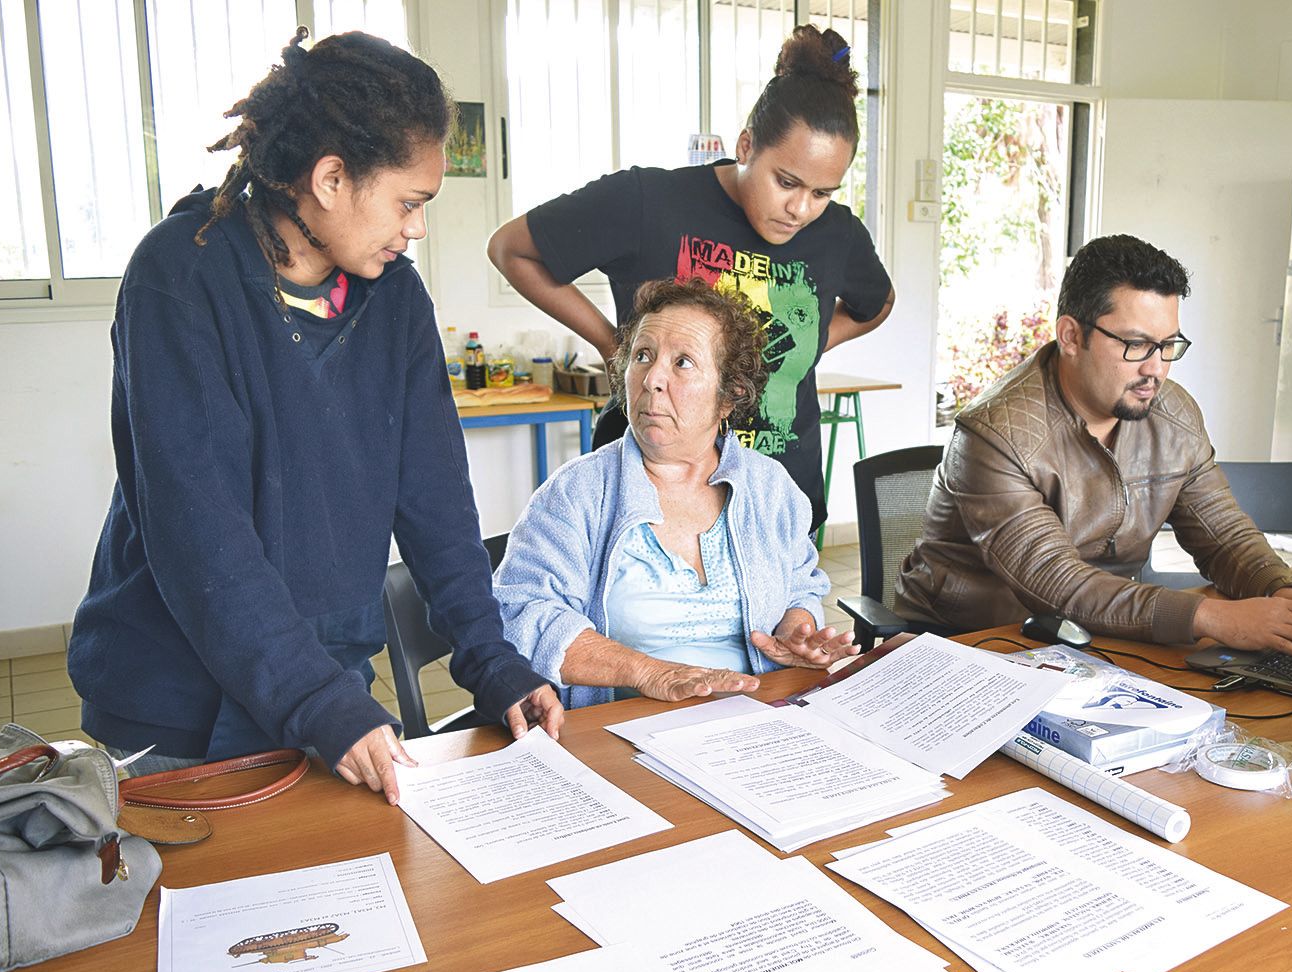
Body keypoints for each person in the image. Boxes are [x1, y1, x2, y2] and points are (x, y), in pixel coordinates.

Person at [67, 30, 563, 805]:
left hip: (322, 683)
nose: (416, 229)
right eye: (408, 203)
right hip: (178, 708)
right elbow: (200, 534)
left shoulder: (394, 298)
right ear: (331, 178)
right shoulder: (181, 276)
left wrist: (491, 659)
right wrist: (319, 699)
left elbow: (436, 504)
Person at [487, 24, 894, 533]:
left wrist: (809, 343)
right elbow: (511, 250)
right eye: (786, 182)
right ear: (746, 145)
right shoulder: (648, 202)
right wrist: (616, 346)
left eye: (822, 193)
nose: (800, 209)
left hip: (780, 513)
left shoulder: (837, 234)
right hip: (650, 512)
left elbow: (877, 303)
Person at [893, 234, 1292, 660]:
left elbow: (1225, 537)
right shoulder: (994, 435)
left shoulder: (1174, 415)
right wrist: (1215, 618)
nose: (1156, 369)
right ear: (1071, 336)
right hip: (971, 642)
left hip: (1095, 639)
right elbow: (1057, 582)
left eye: (1168, 345)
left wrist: (1283, 594)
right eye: (1136, 345)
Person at [494, 278, 856, 707]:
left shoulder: (770, 487)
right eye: (642, 356)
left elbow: (800, 585)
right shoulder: (576, 494)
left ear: (729, 395)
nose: (652, 379)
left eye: (683, 362)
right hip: (617, 727)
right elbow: (522, 612)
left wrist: (796, 630)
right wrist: (649, 672)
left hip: (754, 716)